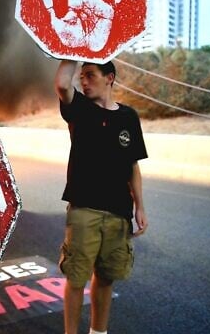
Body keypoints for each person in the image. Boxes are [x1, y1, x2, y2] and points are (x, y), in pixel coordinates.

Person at [54, 59, 148, 334]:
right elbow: (62, 83)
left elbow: (133, 166)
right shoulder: (79, 109)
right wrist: (72, 51)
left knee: (106, 278)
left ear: (110, 77)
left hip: (119, 211)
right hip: (84, 209)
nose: (83, 81)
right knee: (76, 278)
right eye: (82, 76)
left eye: (90, 75)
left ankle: (99, 331)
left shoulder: (129, 117)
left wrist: (140, 207)